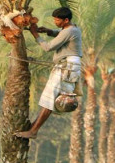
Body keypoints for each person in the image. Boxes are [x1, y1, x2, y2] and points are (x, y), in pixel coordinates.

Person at [15, 7, 83, 139]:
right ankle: (33, 127)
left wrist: (36, 35)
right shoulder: (72, 28)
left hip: (66, 67)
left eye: (57, 20)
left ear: (66, 20)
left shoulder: (69, 31)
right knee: (51, 99)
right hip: (69, 67)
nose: (55, 21)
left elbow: (48, 47)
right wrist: (49, 31)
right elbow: (60, 33)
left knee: (50, 99)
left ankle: (33, 131)